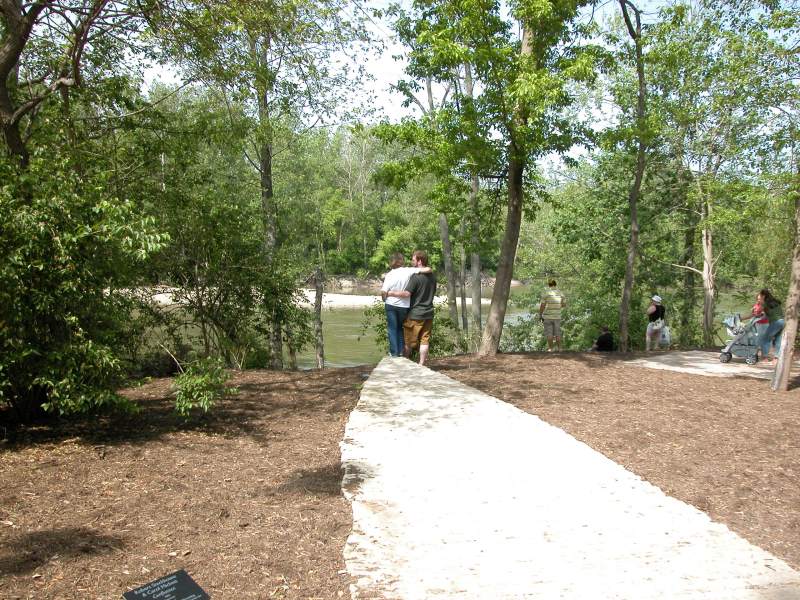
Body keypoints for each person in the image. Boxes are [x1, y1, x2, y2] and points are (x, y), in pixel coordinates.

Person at [385, 250, 436, 365]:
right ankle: (421, 364)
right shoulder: (433, 276)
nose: (411, 262)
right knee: (424, 340)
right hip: (429, 313)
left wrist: (390, 293)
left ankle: (404, 363)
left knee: (408, 342)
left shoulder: (415, 277)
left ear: (419, 261)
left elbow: (406, 294)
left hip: (415, 314)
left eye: (413, 260)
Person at [538, 279, 565, 352]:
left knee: (549, 333)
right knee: (557, 333)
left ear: (549, 285)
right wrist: (557, 306)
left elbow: (542, 305)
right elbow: (564, 304)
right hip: (557, 316)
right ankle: (560, 348)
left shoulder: (546, 293)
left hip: (547, 317)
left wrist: (540, 315)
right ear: (555, 284)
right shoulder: (561, 293)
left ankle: (551, 348)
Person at [758, 288, 784, 362]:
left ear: (763, 295)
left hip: (775, 322)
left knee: (765, 339)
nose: (759, 297)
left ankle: (765, 357)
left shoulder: (765, 303)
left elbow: (760, 312)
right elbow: (770, 313)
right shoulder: (775, 302)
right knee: (778, 339)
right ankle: (776, 358)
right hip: (782, 321)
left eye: (760, 295)